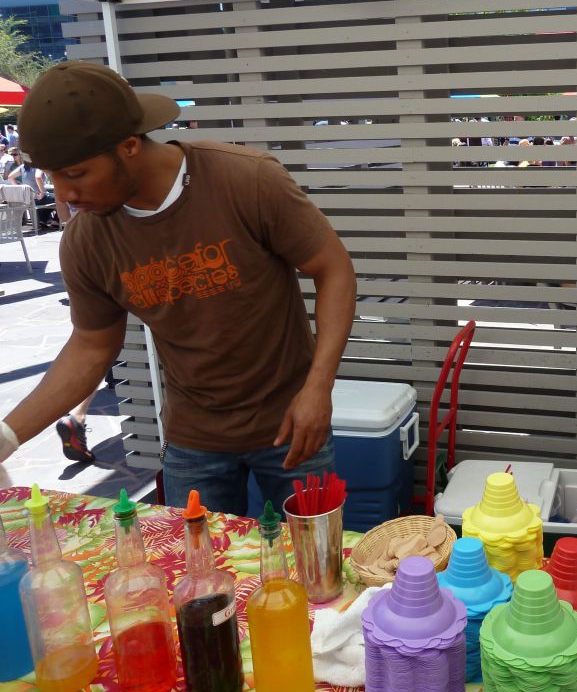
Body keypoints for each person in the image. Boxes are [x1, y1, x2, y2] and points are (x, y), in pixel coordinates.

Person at [0, 61, 357, 516]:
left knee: (314, 567)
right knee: (199, 574)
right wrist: (7, 437)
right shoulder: (87, 240)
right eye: (52, 175)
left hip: (292, 419)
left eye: (76, 173)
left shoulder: (245, 180)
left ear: (129, 146)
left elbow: (333, 269)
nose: (63, 193)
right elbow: (91, 346)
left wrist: (318, 389)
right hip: (195, 438)